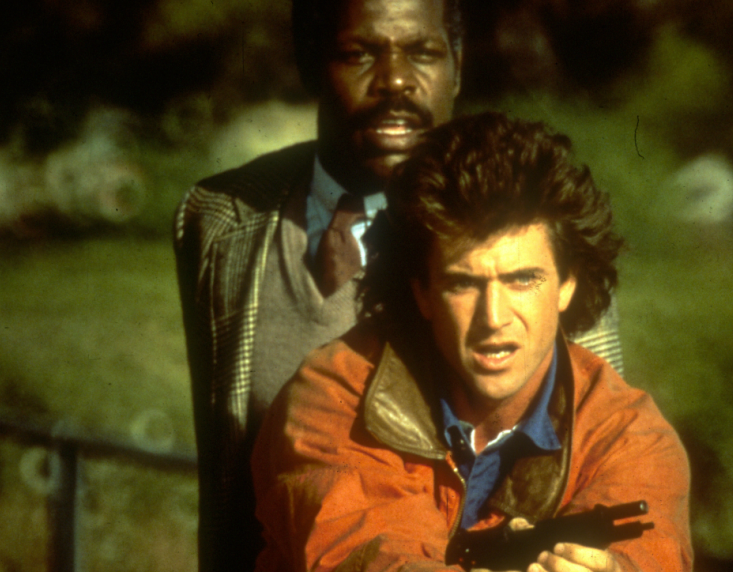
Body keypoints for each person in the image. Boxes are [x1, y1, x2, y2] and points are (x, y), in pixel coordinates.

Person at [174, 0, 621, 569]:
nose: (395, 81)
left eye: (422, 52)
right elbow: (222, 476)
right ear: (310, 61)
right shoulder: (217, 220)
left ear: (457, 63)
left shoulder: (544, 241)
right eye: (359, 53)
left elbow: (596, 461)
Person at [251, 113, 691, 572]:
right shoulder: (336, 394)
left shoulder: (628, 434)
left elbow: (651, 547)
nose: (493, 318)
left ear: (567, 285)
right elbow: (374, 553)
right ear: (422, 292)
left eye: (522, 280)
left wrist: (616, 568)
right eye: (462, 284)